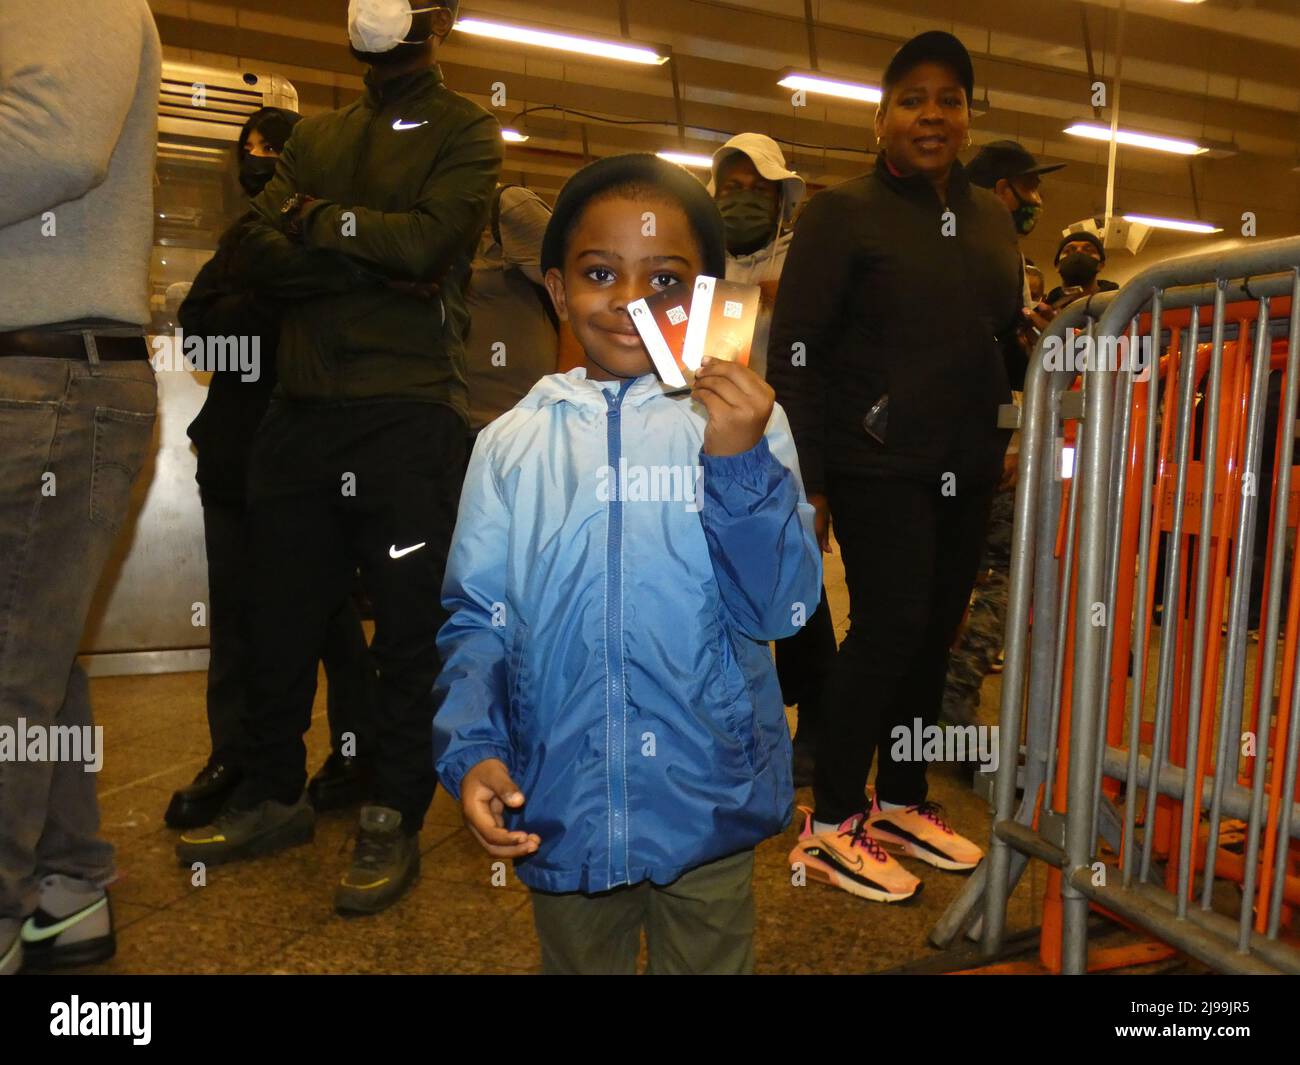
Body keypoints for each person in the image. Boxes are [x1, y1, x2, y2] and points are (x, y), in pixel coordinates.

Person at [432, 153, 821, 974]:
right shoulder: (510, 445)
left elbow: (780, 609)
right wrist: (473, 749)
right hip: (560, 798)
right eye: (601, 271)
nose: (632, 301)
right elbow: (477, 618)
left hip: (708, 798)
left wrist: (738, 465)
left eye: (667, 280)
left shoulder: (744, 424)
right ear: (556, 287)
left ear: (710, 298)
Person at [176, 0, 503, 917]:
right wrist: (371, 252)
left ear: (436, 17)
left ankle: (393, 812)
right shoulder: (315, 134)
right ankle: (272, 794)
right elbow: (251, 251)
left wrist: (322, 230)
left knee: (404, 632)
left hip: (406, 417)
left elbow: (431, 243)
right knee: (275, 620)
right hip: (298, 414)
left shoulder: (467, 128)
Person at [769, 31, 1026, 903]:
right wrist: (810, 483)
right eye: (912, 99)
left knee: (933, 632)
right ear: (880, 119)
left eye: (949, 99)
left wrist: (1011, 425)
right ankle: (833, 818)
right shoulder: (841, 214)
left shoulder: (989, 218)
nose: (932, 114)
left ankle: (903, 796)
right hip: (878, 460)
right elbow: (797, 352)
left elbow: (998, 336)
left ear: (965, 116)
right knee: (888, 627)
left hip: (968, 459)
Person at [0, 0, 161, 974]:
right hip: (54, 371)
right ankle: (65, 891)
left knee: (10, 666)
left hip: (46, 371)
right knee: (32, 658)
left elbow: (52, 141)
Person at [165, 108, 380, 829]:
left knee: (327, 619)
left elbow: (323, 327)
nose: (256, 160)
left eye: (272, 149)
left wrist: (252, 306)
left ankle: (355, 752)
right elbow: (199, 334)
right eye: (247, 149)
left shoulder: (333, 239)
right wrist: (263, 305)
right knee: (236, 620)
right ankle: (235, 757)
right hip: (232, 457)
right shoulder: (237, 242)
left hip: (311, 462)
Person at [710, 134, 832, 786]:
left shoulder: (806, 260)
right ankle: (738, 722)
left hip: (784, 450)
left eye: (759, 190)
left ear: (782, 200)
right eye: (732, 188)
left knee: (798, 584)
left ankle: (815, 722)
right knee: (721, 584)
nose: (745, 200)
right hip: (706, 444)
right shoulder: (696, 257)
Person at [943, 140, 1065, 727]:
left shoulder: (952, 244)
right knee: (1000, 574)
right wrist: (1014, 443)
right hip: (984, 447)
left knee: (939, 575)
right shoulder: (994, 255)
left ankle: (913, 698)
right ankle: (953, 694)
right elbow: (998, 366)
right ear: (999, 191)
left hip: (946, 447)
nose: (1036, 199)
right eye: (1028, 188)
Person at [463, 184, 559, 436]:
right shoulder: (418, 227)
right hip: (456, 427)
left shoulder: (509, 205)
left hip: (520, 427)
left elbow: (577, 294)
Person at [1046, 231, 1118, 305]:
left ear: (1101, 265)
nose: (1079, 252)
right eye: (1069, 251)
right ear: (1058, 266)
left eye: (1088, 250)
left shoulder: (1119, 303)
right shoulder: (1044, 309)